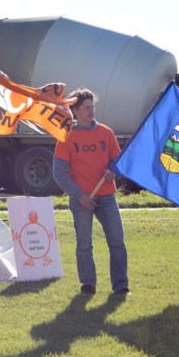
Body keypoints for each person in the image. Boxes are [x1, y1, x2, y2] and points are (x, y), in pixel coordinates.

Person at [53, 88, 130, 296]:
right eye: (86, 108)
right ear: (75, 111)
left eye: (92, 107)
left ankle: (121, 286)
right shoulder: (66, 136)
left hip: (106, 197)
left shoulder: (106, 132)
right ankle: (88, 284)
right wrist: (80, 196)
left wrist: (114, 171)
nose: (91, 111)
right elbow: (60, 174)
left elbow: (118, 161)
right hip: (81, 200)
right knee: (84, 244)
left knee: (117, 242)